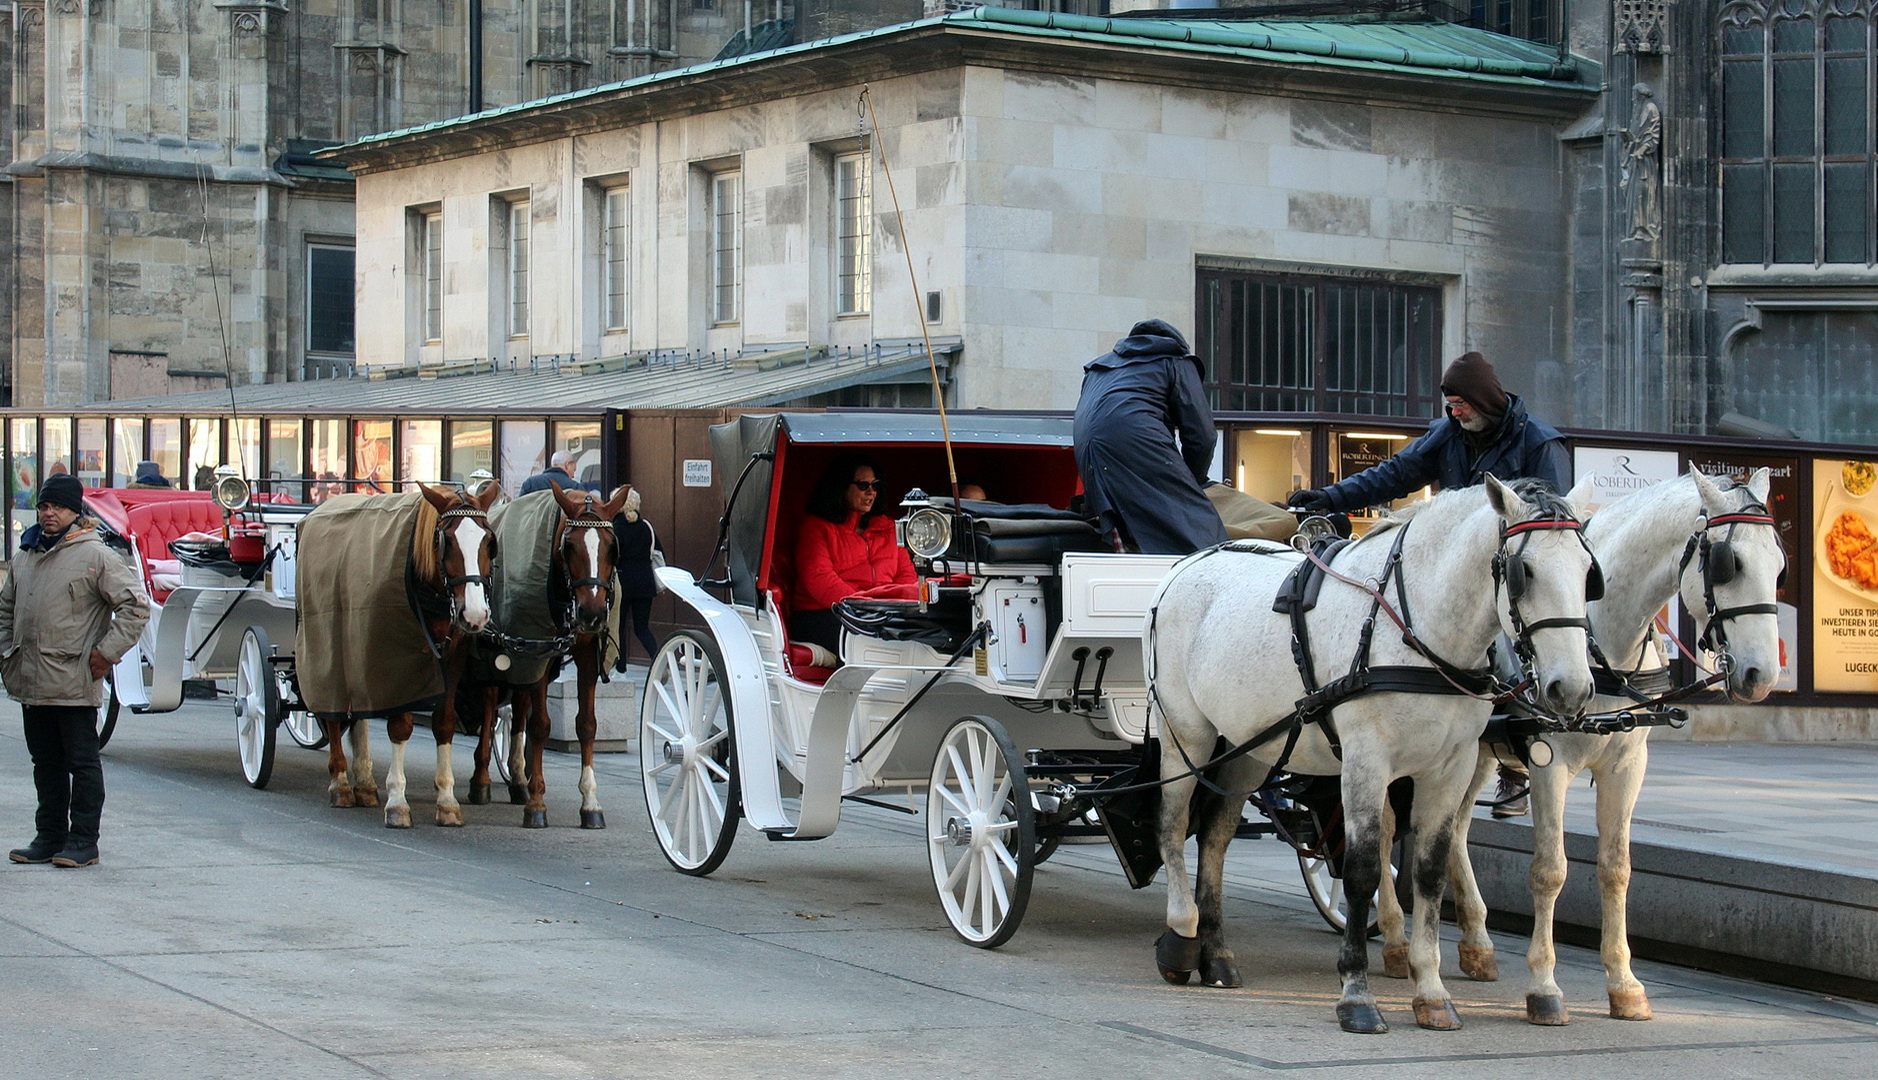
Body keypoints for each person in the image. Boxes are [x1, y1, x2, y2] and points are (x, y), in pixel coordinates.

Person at [1289, 350, 1569, 817]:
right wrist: (1327, 497)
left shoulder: (1539, 443)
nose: (1455, 412)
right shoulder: (1449, 434)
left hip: (1519, 576)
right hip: (1458, 576)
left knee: (1516, 646)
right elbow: (1394, 475)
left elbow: (1555, 524)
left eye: (1461, 403)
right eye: (1450, 404)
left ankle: (1517, 766)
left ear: (1484, 399)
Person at [1, 474, 150, 868]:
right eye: (45, 506)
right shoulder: (25, 555)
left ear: (75, 511)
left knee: (82, 764)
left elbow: (135, 607)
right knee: (44, 763)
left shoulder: (96, 556)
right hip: (31, 680)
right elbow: (5, 611)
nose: (50, 513)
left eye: (59, 507)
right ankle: (49, 837)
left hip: (73, 679)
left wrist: (106, 654)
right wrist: (5, 653)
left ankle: (84, 841)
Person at [1073, 318, 1227, 555]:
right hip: (1134, 438)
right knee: (1201, 531)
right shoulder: (1175, 361)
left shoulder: (1098, 370)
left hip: (1087, 449)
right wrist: (1193, 481)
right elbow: (1202, 436)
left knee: (1125, 517)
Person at [791, 454, 915, 655]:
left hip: (879, 614)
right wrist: (862, 607)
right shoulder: (816, 527)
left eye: (875, 486)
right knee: (864, 640)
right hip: (823, 613)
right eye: (863, 485)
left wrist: (895, 607)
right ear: (842, 487)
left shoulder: (890, 527)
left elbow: (906, 576)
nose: (871, 493)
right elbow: (820, 579)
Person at [611, 485, 664, 671]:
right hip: (645, 583)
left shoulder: (613, 528)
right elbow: (658, 552)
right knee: (642, 628)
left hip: (622, 583)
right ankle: (659, 661)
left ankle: (621, 669)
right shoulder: (646, 527)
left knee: (619, 628)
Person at [520, 450, 585, 495]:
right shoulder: (575, 488)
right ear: (567, 465)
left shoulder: (530, 483)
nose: (573, 476)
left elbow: (517, 510)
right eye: (574, 470)